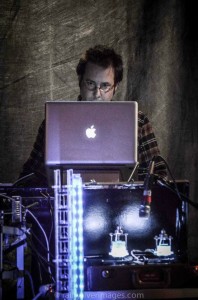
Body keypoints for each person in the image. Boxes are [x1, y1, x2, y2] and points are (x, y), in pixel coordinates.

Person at [18, 45, 167, 186]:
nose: (97, 93)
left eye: (105, 86)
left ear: (116, 87)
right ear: (80, 81)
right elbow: (28, 177)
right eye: (90, 84)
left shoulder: (137, 122)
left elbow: (159, 175)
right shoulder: (54, 122)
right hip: (65, 207)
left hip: (122, 208)